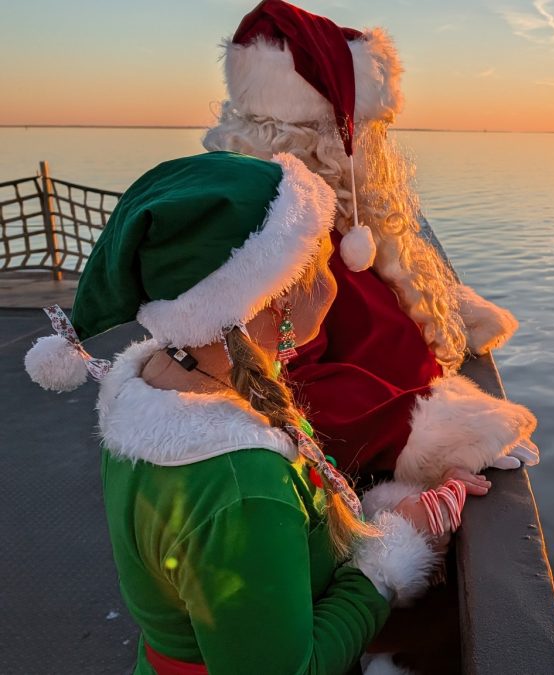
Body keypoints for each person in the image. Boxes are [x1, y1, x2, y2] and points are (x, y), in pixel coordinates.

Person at [23, 151, 481, 674]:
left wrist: (385, 514)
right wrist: (395, 554)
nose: (339, 281)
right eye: (325, 264)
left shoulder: (155, 385)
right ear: (278, 300)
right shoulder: (241, 483)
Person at [202, 0, 539, 491]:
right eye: (372, 129)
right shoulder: (278, 231)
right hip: (367, 479)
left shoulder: (332, 207)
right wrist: (432, 436)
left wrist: (442, 313)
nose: (381, 145)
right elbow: (290, 382)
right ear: (338, 131)